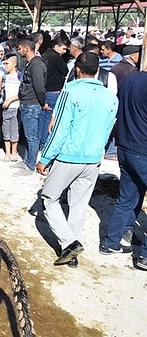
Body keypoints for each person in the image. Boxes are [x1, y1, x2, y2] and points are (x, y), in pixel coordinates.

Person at [36, 52, 118, 268]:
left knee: (49, 199)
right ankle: (72, 252)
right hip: (93, 158)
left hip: (68, 156)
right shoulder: (111, 97)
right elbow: (109, 129)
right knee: (78, 205)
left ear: (77, 70)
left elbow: (60, 129)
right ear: (97, 70)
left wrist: (45, 157)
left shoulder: (70, 92)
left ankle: (69, 243)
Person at [100, 71, 147, 271]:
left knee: (126, 197)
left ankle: (111, 242)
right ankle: (144, 256)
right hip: (143, 150)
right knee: (127, 197)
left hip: (126, 147)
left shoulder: (130, 79)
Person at [12, 38, 47, 176]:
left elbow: (39, 87)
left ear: (27, 49)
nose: (19, 51)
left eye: (20, 48)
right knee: (28, 135)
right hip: (27, 102)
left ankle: (31, 165)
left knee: (32, 137)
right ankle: (27, 160)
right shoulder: (31, 63)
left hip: (32, 104)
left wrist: (42, 102)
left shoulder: (36, 65)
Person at [40, 37, 69, 150]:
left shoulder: (44, 55)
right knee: (50, 118)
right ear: (56, 46)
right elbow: (65, 71)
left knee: (42, 118)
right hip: (53, 91)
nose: (64, 51)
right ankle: (45, 142)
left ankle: (41, 141)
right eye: (63, 48)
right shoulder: (56, 58)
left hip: (44, 90)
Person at [1, 53, 23, 162]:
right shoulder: (5, 77)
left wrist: (11, 99)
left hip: (16, 107)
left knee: (14, 130)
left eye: (7, 63)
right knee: (6, 130)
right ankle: (7, 152)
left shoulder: (20, 76)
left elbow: (22, 93)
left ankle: (14, 152)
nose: (5, 66)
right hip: (6, 108)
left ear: (14, 64)